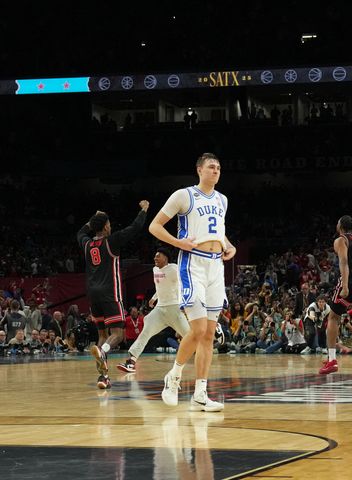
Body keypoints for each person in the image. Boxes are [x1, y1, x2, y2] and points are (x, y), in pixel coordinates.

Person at [150, 153, 236, 412]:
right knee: (197, 330)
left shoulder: (222, 199)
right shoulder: (183, 195)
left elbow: (218, 230)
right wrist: (178, 243)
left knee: (209, 334)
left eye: (219, 167)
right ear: (199, 170)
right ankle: (173, 377)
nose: (216, 171)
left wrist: (228, 245)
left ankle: (200, 393)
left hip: (215, 267)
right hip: (193, 264)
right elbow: (155, 226)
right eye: (211, 167)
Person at [77, 200, 149, 389]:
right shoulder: (112, 241)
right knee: (118, 333)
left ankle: (103, 378)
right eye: (108, 223)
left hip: (92, 294)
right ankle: (103, 351)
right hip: (110, 292)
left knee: (102, 334)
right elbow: (135, 227)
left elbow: (81, 233)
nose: (110, 226)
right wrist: (143, 210)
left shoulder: (86, 244)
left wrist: (91, 220)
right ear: (106, 226)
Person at [117, 248, 192, 373]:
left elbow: (182, 285)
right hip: (160, 309)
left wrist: (183, 302)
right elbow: (161, 286)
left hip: (174, 308)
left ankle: (207, 348)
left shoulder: (173, 269)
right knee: (145, 332)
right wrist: (153, 298)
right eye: (155, 256)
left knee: (190, 336)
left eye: (158, 256)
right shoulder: (155, 270)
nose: (155, 258)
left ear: (165, 258)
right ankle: (131, 362)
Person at [320, 215, 352, 374]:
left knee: (333, 317)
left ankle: (332, 359)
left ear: (341, 226)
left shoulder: (341, 240)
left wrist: (345, 285)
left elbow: (344, 262)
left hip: (350, 280)